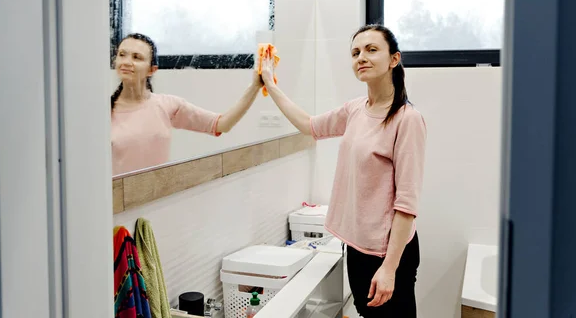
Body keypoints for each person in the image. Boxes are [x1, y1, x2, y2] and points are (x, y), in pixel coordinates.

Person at [260, 24, 426, 317]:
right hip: (357, 246)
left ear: (394, 59)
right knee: (365, 312)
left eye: (372, 50)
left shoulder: (406, 119)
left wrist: (390, 269)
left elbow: (407, 204)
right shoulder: (354, 109)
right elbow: (309, 125)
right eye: (355, 52)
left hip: (388, 253)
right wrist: (271, 84)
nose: (361, 57)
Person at [111, 33, 262, 176]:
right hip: (117, 200)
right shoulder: (104, 112)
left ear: (152, 70)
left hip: (159, 199)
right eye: (122, 54)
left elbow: (222, 124)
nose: (126, 62)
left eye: (137, 57)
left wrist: (254, 87)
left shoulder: (168, 105)